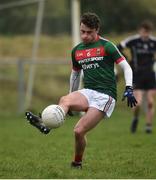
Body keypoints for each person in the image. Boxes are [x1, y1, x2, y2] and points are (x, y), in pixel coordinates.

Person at [25, 12, 137, 168]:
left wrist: (129, 88)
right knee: (65, 100)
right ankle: (45, 123)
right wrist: (72, 96)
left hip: (105, 96)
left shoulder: (107, 46)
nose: (84, 36)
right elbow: (75, 75)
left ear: (97, 30)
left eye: (89, 32)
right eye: (82, 32)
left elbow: (126, 66)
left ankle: (77, 162)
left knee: (78, 131)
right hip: (88, 91)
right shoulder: (77, 50)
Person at [117, 20, 156, 134]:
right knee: (137, 103)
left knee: (150, 102)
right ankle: (135, 118)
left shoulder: (153, 42)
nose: (146, 34)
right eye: (144, 32)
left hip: (150, 75)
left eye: (148, 32)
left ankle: (148, 126)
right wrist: (125, 60)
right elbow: (118, 47)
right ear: (140, 31)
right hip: (137, 75)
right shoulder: (133, 41)